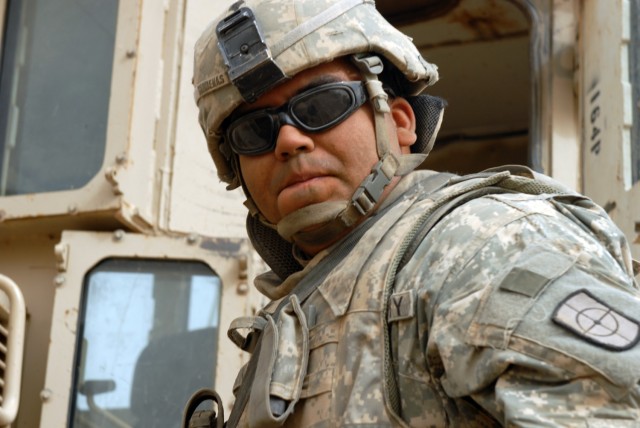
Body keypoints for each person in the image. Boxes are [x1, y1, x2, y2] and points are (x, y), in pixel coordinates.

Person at [189, 0, 640, 426]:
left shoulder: (481, 243)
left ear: (401, 122)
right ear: (238, 170)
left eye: (319, 106)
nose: (288, 141)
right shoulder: (302, 302)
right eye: (254, 132)